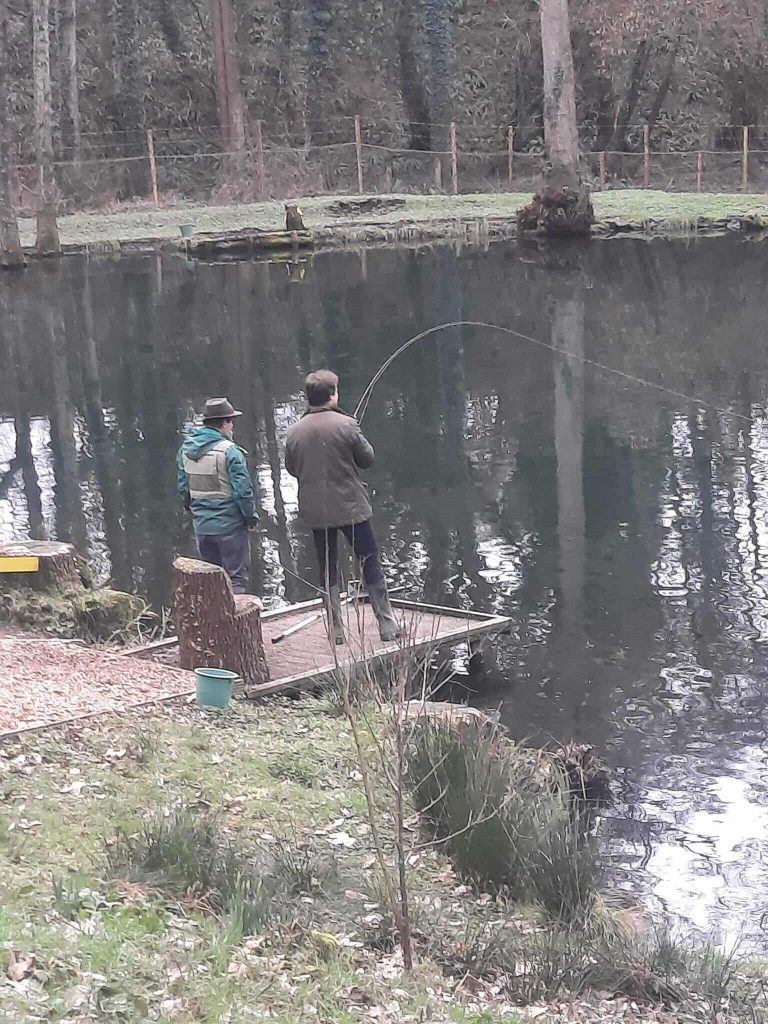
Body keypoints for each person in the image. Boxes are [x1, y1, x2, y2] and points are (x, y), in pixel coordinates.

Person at [284, 369, 401, 645]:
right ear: (333, 395)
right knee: (369, 559)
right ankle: (387, 625)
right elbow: (367, 459)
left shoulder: (293, 432)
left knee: (328, 567)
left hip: (316, 511)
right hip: (352, 508)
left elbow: (291, 468)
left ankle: (336, 631)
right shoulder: (347, 425)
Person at [177, 397, 258, 595]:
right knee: (236, 579)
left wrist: (195, 512)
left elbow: (183, 488)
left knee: (212, 581)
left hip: (203, 528)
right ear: (224, 423)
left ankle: (215, 623)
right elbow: (243, 491)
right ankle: (235, 622)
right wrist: (250, 518)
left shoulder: (185, 450)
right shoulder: (229, 451)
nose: (231, 427)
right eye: (231, 422)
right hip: (230, 526)